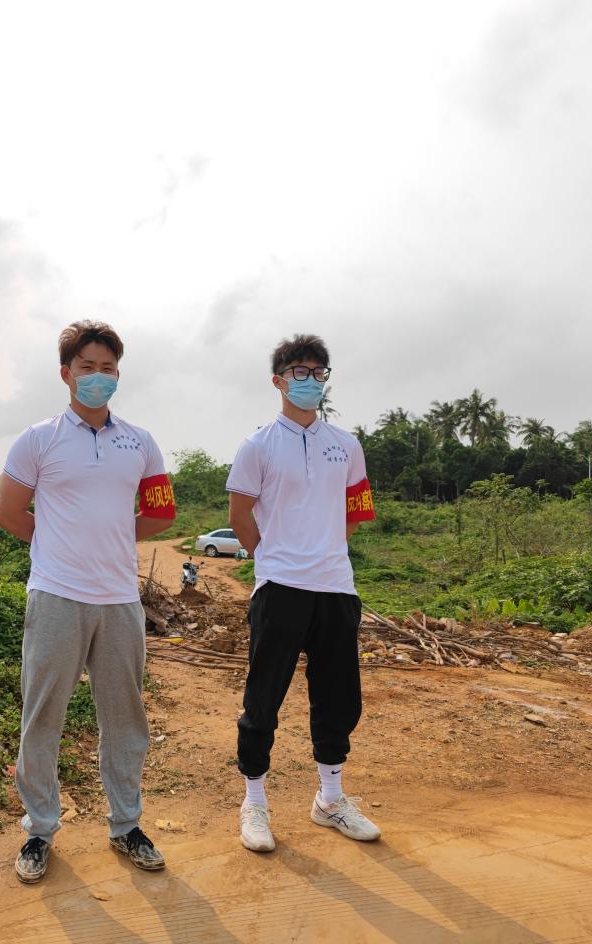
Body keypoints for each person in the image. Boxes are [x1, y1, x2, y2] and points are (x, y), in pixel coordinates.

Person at [0, 320, 177, 883]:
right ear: (65, 372)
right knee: (42, 716)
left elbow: (162, 511)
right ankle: (39, 829)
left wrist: (114, 539)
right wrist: (57, 546)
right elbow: (9, 513)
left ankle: (126, 825)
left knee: (125, 717)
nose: (98, 377)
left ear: (118, 374)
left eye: (107, 368)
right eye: (87, 367)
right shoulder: (37, 439)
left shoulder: (140, 442)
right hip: (56, 596)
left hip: (120, 600)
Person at [225, 333, 381, 853]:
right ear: (278, 380)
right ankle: (254, 803)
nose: (309, 380)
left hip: (336, 587)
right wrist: (274, 556)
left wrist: (325, 550)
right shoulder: (258, 445)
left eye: (318, 372)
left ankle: (330, 799)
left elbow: (356, 511)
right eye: (299, 371)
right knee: (263, 698)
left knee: (339, 698)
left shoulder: (346, 444)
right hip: (280, 588)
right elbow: (240, 516)